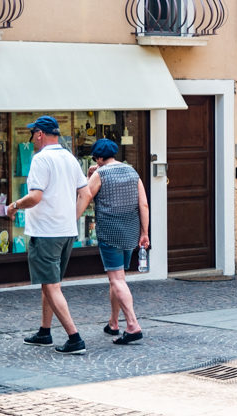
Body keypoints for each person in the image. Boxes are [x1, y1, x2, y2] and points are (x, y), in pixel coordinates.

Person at [8, 116, 91, 355]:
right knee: (50, 283)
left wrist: (15, 205)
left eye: (33, 134)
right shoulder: (70, 158)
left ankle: (74, 338)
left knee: (52, 286)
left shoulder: (40, 159)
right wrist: (71, 219)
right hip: (66, 232)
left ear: (40, 134)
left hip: (46, 232)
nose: (32, 139)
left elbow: (35, 197)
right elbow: (86, 194)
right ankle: (44, 332)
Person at [82, 138, 150, 345]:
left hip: (110, 232)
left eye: (96, 158)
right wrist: (144, 233)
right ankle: (113, 323)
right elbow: (143, 205)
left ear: (98, 158)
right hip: (130, 232)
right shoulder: (132, 172)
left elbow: (85, 196)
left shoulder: (100, 174)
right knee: (118, 278)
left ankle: (132, 325)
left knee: (117, 280)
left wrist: (89, 177)